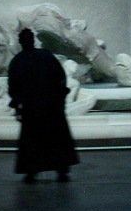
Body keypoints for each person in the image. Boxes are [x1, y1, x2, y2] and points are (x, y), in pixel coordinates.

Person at [7, 27, 79, 183]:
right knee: (56, 138)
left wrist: (17, 106)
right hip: (51, 105)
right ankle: (61, 170)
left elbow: (14, 87)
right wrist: (60, 97)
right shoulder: (46, 56)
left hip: (31, 108)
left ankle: (32, 171)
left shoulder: (17, 60)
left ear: (21, 43)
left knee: (33, 140)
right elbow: (60, 77)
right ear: (33, 41)